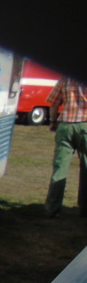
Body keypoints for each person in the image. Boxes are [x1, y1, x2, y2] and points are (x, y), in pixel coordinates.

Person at [44, 76, 87, 217]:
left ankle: (52, 208)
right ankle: (84, 209)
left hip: (66, 124)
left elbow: (54, 103)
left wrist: (53, 121)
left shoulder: (65, 79)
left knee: (60, 167)